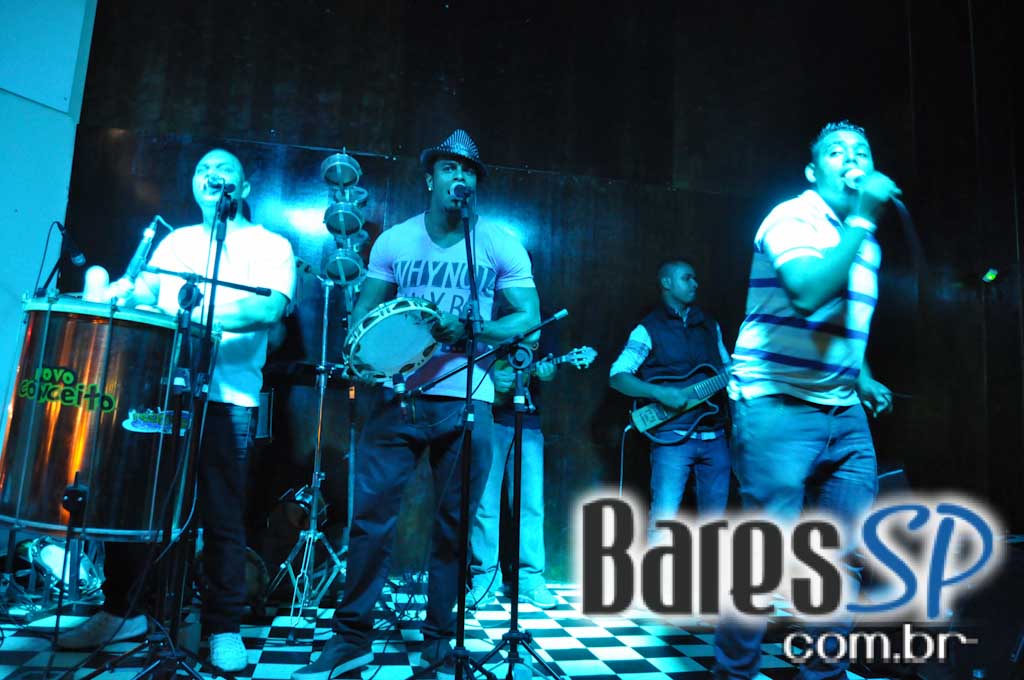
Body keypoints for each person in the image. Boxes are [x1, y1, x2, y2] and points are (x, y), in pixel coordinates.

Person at [292, 129, 540, 680]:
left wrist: (471, 327)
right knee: (371, 521)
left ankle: (439, 639)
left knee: (453, 527)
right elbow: (363, 313)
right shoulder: (395, 241)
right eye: (450, 169)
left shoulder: (498, 243)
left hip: (467, 399)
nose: (460, 178)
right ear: (430, 179)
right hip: (396, 399)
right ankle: (351, 638)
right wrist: (373, 347)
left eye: (469, 171)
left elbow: (529, 318)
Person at [55, 148, 296, 674]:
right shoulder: (176, 242)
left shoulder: (270, 244)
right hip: (162, 395)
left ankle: (223, 628)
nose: (213, 176)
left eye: (225, 170)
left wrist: (192, 312)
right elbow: (139, 294)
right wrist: (115, 293)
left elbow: (267, 307)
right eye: (203, 170)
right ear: (195, 186)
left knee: (222, 515)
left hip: (228, 399)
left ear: (243, 188)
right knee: (139, 508)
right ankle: (123, 613)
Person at [712, 120, 898, 679]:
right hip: (777, 404)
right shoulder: (791, 217)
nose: (852, 158)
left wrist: (862, 376)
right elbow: (809, 291)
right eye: (837, 152)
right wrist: (863, 217)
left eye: (861, 150)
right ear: (813, 172)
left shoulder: (863, 241)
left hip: (843, 409)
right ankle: (733, 671)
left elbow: (844, 320)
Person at [609, 260, 732, 542]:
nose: (695, 284)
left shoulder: (710, 325)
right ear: (666, 283)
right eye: (687, 278)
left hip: (715, 435)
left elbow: (728, 372)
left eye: (695, 278)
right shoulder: (648, 329)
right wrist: (659, 393)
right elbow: (617, 376)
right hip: (672, 436)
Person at [467, 320, 558, 611]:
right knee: (485, 505)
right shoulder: (487, 314)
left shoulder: (544, 321)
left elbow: (550, 366)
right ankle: (484, 579)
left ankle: (529, 580)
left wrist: (549, 371)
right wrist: (491, 376)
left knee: (530, 505)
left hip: (528, 423)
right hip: (488, 419)